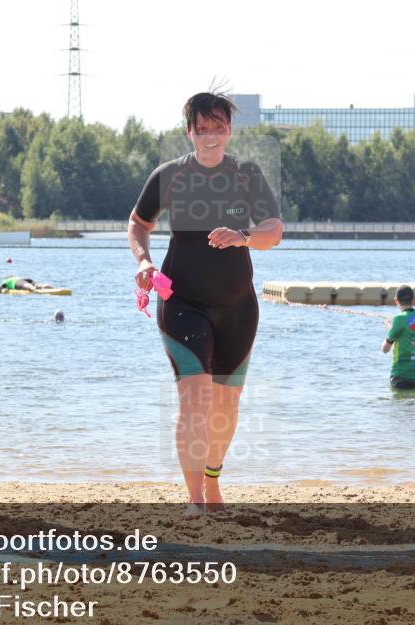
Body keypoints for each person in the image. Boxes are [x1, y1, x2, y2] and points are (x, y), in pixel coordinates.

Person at [127, 91, 284, 516]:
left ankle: (213, 479)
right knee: (194, 400)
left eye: (219, 127)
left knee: (226, 403)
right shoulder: (170, 176)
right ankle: (195, 498)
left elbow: (273, 229)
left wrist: (244, 236)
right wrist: (143, 261)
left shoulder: (247, 175)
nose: (211, 135)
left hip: (238, 308)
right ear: (190, 132)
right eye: (203, 128)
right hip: (182, 304)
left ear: (229, 130)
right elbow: (139, 223)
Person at [382, 285, 415, 390]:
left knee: (401, 404)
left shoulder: (398, 319)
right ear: (413, 299)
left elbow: (385, 349)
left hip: (402, 376)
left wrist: (390, 329)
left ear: (396, 301)